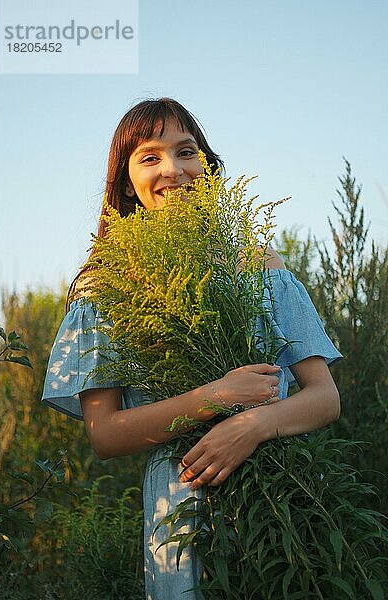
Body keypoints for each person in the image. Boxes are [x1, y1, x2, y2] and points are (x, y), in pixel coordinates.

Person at [42, 97, 342, 600]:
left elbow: (325, 398)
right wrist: (217, 396)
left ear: (207, 163)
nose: (173, 170)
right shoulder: (107, 287)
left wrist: (251, 426)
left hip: (285, 500)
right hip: (182, 508)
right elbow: (106, 435)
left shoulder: (259, 264)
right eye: (150, 157)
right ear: (125, 179)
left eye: (186, 151)